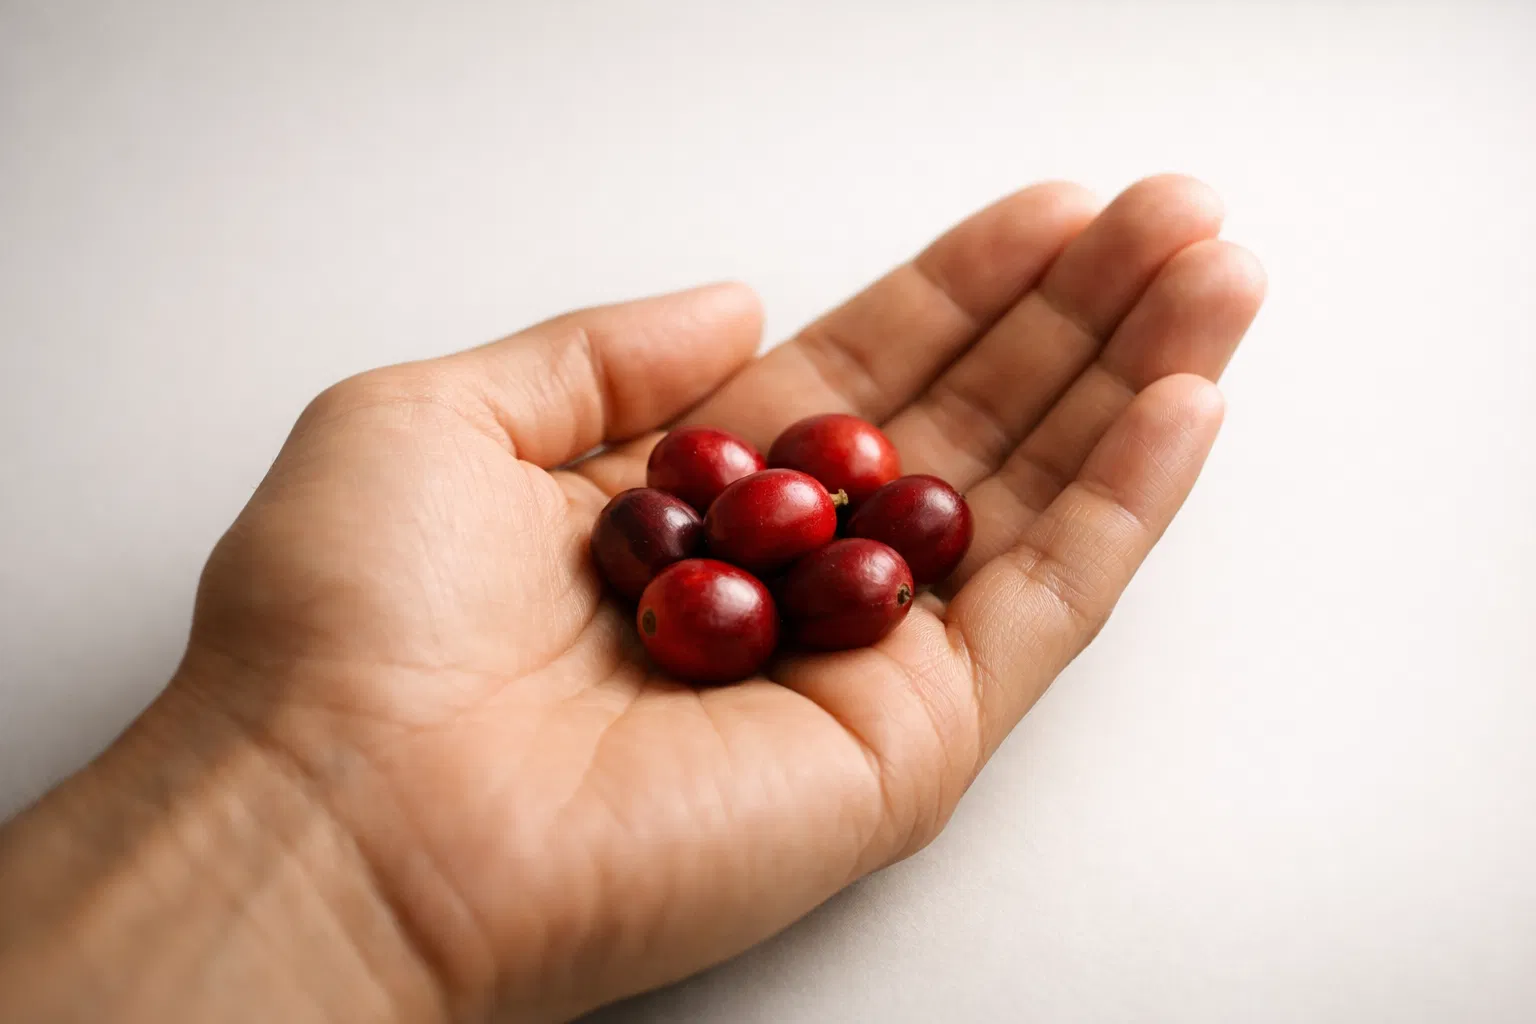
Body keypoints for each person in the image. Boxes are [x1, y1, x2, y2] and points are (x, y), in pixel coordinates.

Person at [0, 175, 1264, 1022]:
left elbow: (823, 554)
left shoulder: (803, 534)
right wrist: (327, 827)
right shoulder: (697, 548)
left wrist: (316, 853)